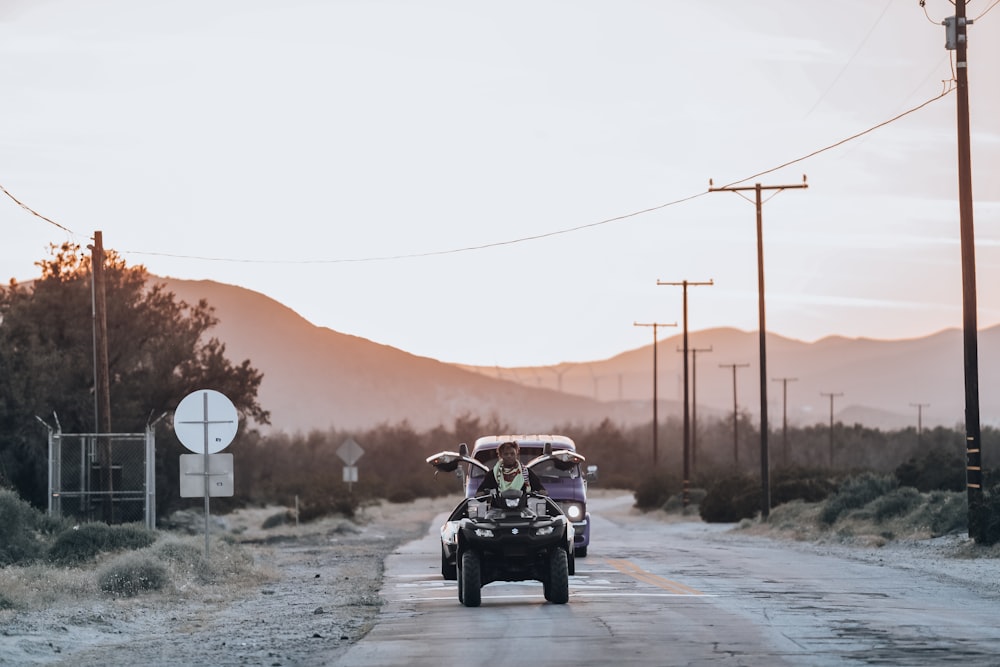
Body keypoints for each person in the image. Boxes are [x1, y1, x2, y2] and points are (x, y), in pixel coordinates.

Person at [475, 440, 546, 496]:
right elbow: (480, 493)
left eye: (512, 454)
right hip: (498, 510)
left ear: (516, 454)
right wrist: (482, 493)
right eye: (506, 454)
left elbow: (540, 488)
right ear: (501, 455)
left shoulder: (526, 472)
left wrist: (541, 491)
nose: (509, 456)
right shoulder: (493, 474)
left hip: (522, 509)